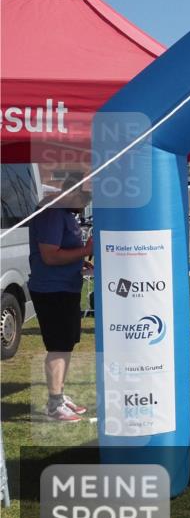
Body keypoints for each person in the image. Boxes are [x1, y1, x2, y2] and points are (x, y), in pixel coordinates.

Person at [28, 174, 93, 422]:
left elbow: (63, 251)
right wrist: (85, 250)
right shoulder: (52, 213)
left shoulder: (64, 213)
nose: (86, 204)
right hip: (52, 290)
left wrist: (79, 260)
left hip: (65, 287)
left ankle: (59, 396)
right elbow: (50, 256)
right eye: (85, 198)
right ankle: (54, 404)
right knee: (58, 346)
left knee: (65, 344)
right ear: (72, 192)